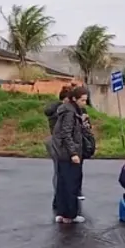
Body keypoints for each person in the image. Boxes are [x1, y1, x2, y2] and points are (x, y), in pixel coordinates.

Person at [51, 85, 88, 224]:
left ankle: (62, 213)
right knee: (71, 184)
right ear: (74, 99)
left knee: (62, 183)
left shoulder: (68, 111)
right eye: (83, 100)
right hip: (69, 154)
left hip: (62, 153)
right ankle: (70, 215)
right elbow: (66, 134)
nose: (84, 103)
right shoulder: (70, 113)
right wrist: (73, 153)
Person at [45, 86, 70, 214]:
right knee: (61, 172)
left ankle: (58, 198)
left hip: (52, 141)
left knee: (57, 171)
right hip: (59, 143)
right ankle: (60, 199)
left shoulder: (53, 109)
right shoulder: (62, 111)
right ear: (65, 99)